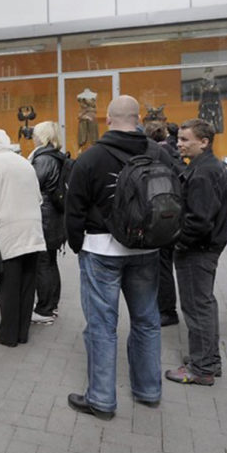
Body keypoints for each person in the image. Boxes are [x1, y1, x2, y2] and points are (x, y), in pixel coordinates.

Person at [65, 95, 171, 420]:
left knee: (102, 325)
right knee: (147, 321)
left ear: (107, 120)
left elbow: (74, 209)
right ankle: (148, 390)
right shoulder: (158, 153)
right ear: (138, 118)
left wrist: (76, 244)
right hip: (147, 249)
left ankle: (101, 399)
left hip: (101, 251)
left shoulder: (91, 157)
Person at [163, 118, 227, 386]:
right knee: (203, 305)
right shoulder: (207, 167)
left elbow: (199, 220)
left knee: (196, 307)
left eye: (184, 140)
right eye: (178, 139)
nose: (179, 144)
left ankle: (202, 368)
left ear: (203, 142)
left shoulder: (203, 172)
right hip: (203, 249)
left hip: (197, 251)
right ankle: (209, 361)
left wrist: (180, 242)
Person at [0, 129, 46, 345]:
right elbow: (38, 198)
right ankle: (22, 333)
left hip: (10, 231)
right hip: (33, 230)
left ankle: (7, 335)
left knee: (8, 284)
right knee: (27, 283)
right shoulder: (24, 162)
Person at [27, 121, 66, 324]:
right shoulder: (55, 156)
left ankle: (44, 309)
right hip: (54, 218)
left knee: (43, 263)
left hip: (45, 218)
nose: (32, 137)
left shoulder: (43, 159)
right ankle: (52, 305)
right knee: (50, 262)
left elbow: (31, 184)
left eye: (35, 134)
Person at [145, 120, 183, 327]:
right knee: (164, 263)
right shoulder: (172, 152)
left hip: (162, 214)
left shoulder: (158, 154)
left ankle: (167, 310)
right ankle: (165, 308)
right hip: (170, 213)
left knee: (162, 264)